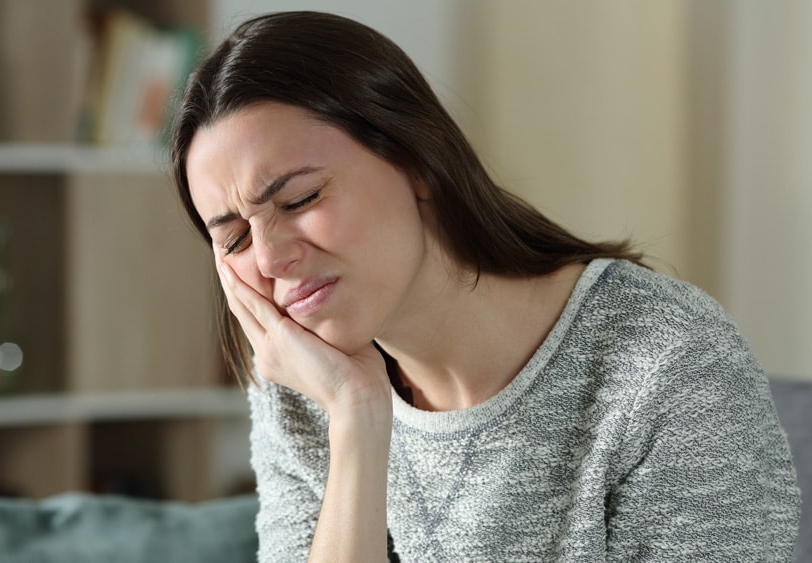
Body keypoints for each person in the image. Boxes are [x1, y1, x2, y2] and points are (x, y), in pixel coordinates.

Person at [170, 11, 801, 562]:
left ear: (417, 159)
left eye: (301, 197)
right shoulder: (306, 389)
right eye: (235, 239)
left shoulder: (670, 361)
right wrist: (357, 418)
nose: (274, 258)